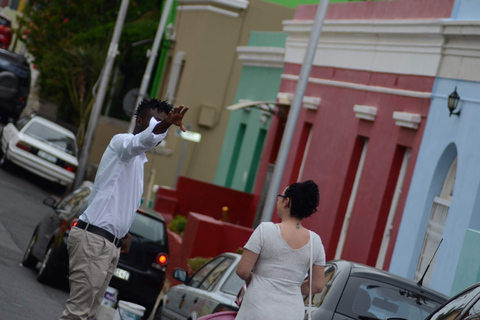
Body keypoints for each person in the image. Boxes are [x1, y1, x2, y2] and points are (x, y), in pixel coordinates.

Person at [59, 99, 189, 320]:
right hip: (94, 240)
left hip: (108, 243)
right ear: (138, 122)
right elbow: (145, 139)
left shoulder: (138, 161)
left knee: (89, 315)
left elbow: (110, 198)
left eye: (163, 124)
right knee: (77, 314)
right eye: (155, 122)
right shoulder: (123, 142)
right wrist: (166, 123)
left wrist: (123, 232)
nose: (158, 129)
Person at [235, 180, 326, 320]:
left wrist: (259, 280)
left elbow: (242, 270)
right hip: (291, 313)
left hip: (257, 309)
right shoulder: (316, 241)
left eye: (280, 197)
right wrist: (290, 285)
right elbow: (317, 286)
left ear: (287, 202)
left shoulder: (265, 230)